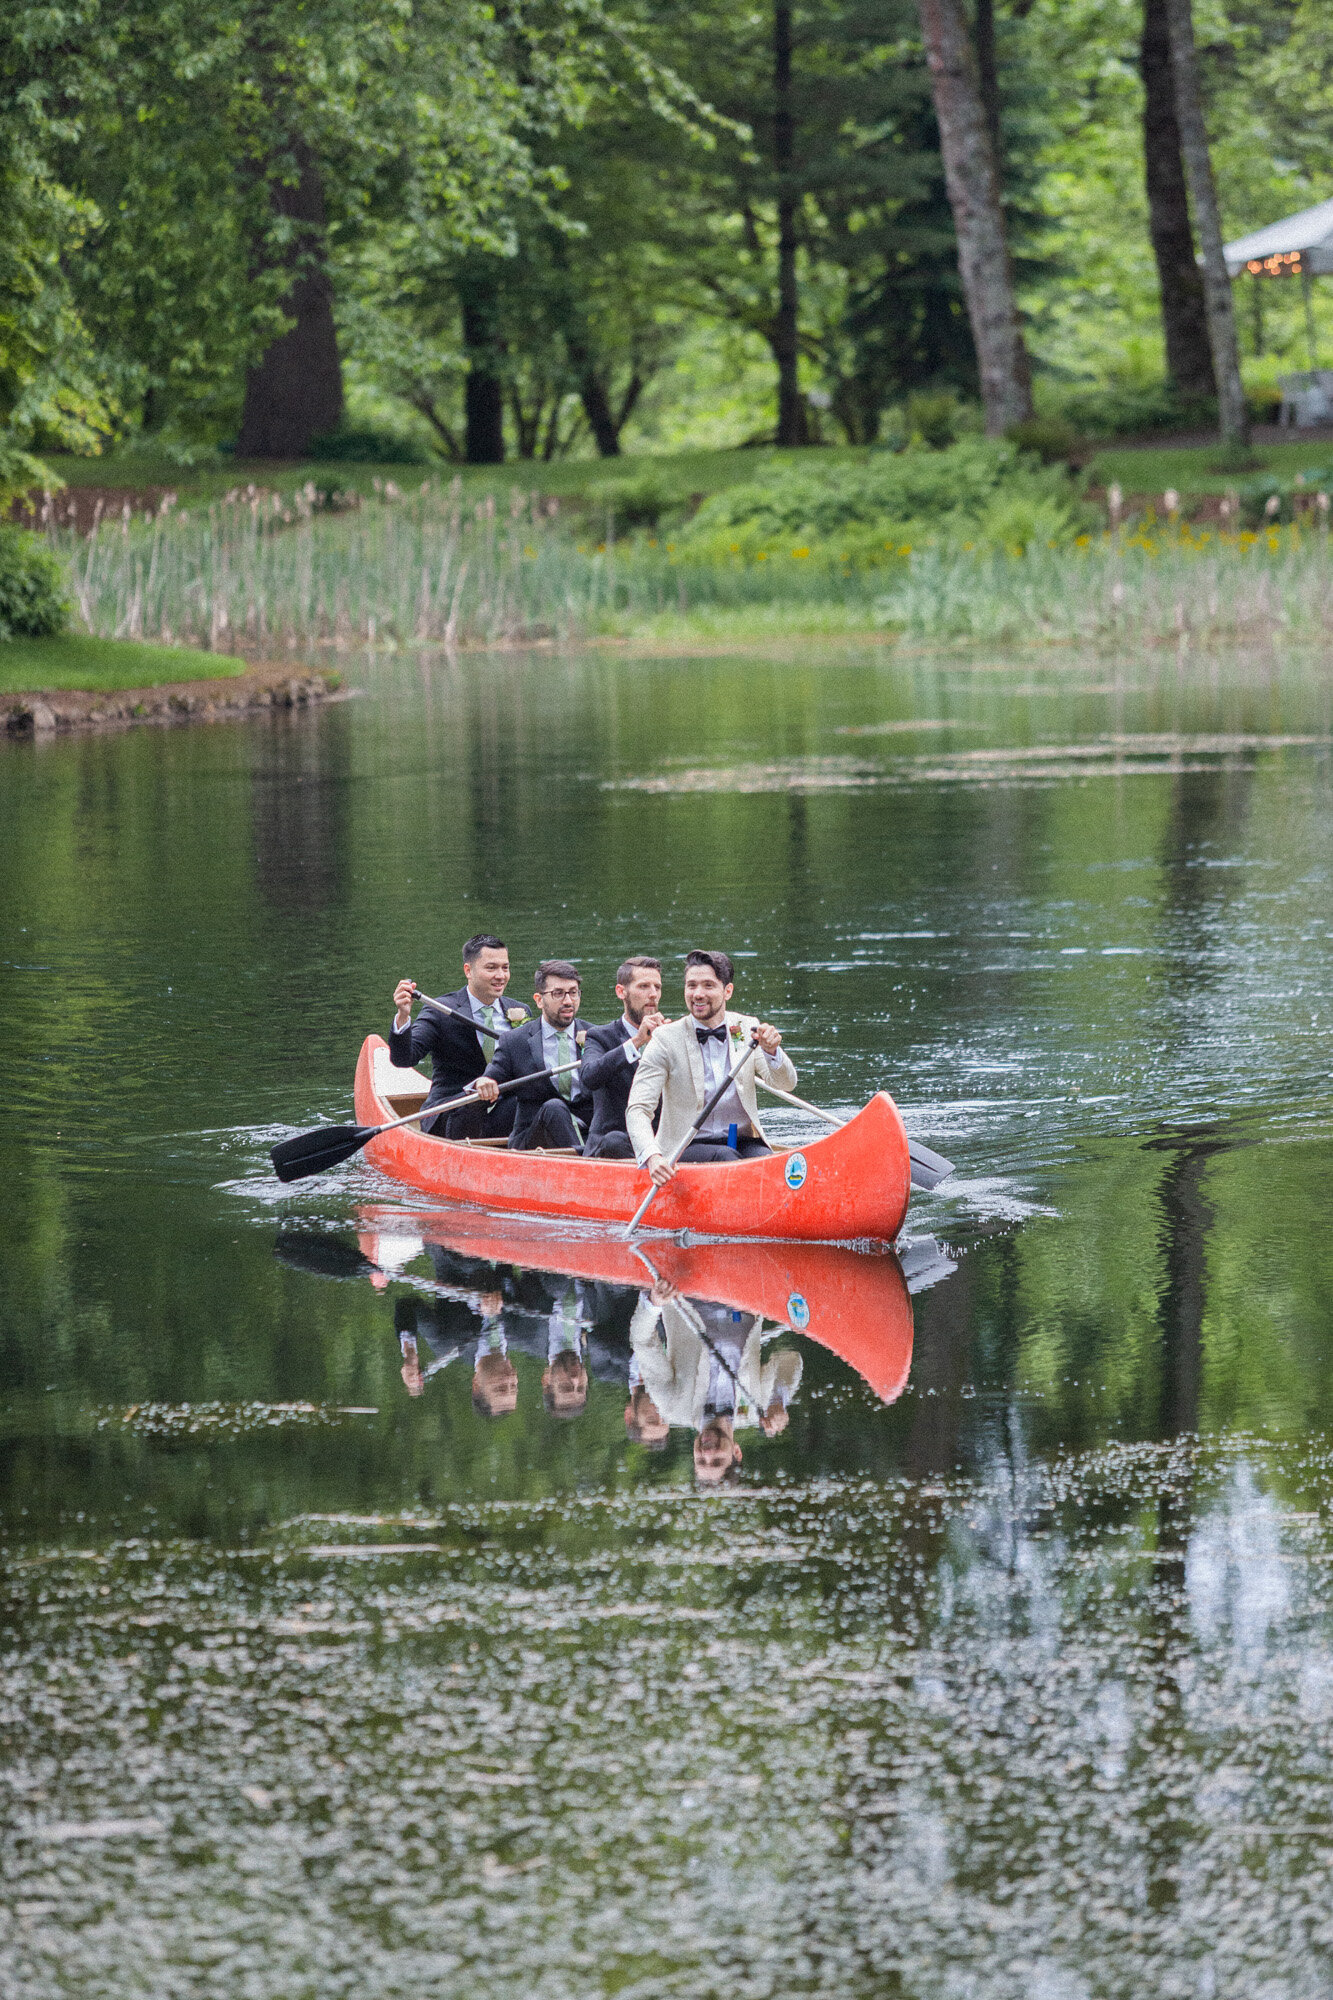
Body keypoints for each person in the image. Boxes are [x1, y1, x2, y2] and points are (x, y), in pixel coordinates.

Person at [625, 948, 797, 1185]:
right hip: (685, 1146)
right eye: (691, 985)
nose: (697, 994)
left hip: (741, 1141)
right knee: (727, 1158)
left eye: (708, 985)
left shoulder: (746, 1027)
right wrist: (652, 1156)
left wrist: (771, 1051)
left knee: (768, 1162)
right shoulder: (665, 1038)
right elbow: (637, 1109)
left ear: (727, 991)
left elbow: (785, 1084)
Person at [389, 934, 532, 1139]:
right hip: (452, 1112)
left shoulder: (520, 1010)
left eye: (505, 968)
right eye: (491, 968)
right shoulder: (440, 1010)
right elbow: (404, 1059)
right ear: (468, 971)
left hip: (501, 1112)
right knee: (474, 1101)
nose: (500, 975)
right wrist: (403, 1015)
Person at [473, 960, 594, 1151]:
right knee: (554, 1108)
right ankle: (587, 1166)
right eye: (558, 993)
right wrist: (483, 1082)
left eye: (573, 992)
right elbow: (490, 1077)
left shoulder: (596, 1035)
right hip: (534, 1138)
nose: (568, 1001)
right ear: (539, 1000)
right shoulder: (514, 1041)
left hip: (588, 1133)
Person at [579, 956, 669, 1160]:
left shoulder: (671, 1035)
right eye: (644, 986)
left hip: (661, 1142)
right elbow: (589, 1077)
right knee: (615, 1141)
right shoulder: (599, 1036)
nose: (653, 994)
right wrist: (637, 1042)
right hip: (613, 1145)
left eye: (657, 987)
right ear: (621, 992)